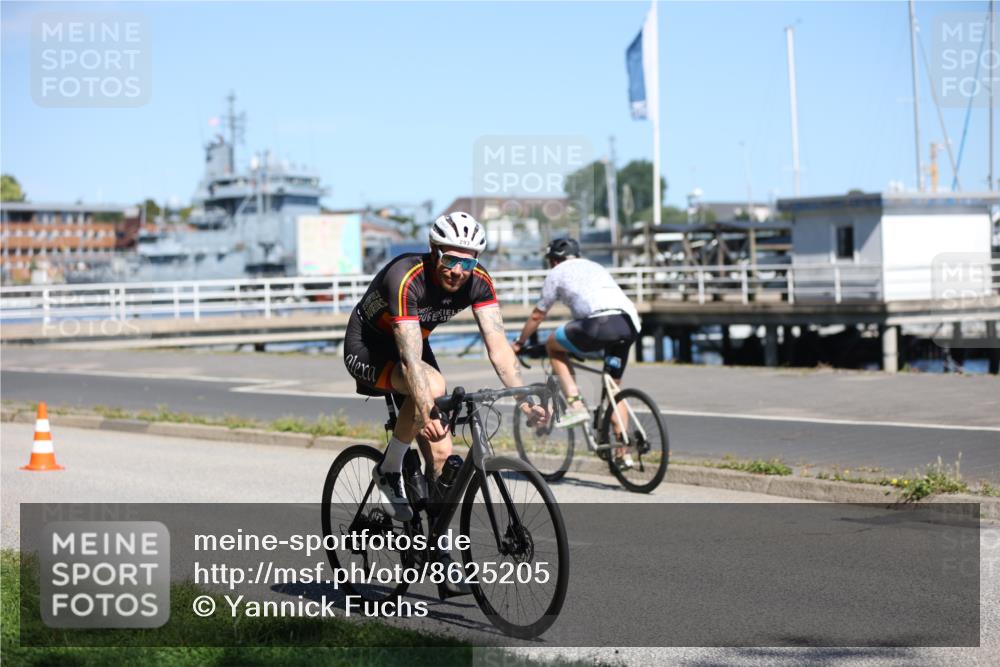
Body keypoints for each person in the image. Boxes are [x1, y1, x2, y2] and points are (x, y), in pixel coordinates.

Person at [344, 212, 548, 524]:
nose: (457, 271)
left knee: (442, 455)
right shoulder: (406, 276)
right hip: (370, 347)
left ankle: (435, 546)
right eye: (450, 259)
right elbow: (410, 359)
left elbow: (499, 347)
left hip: (413, 346)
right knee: (434, 387)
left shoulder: (479, 282)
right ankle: (389, 469)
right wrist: (425, 407)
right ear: (433, 248)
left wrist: (524, 400)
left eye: (467, 263)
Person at [511, 237, 641, 466]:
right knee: (613, 389)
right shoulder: (596, 266)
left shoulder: (556, 272)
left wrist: (520, 343)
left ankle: (575, 405)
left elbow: (538, 315)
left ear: (553, 260)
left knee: (553, 346)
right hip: (628, 324)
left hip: (597, 324)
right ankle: (623, 452)